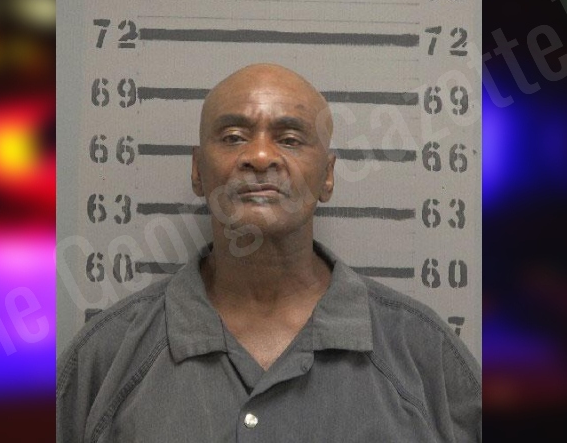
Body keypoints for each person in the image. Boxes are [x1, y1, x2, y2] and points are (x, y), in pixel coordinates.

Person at [57, 63, 481, 442]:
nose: (260, 156)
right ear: (197, 171)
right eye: (233, 137)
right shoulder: (104, 361)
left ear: (328, 176)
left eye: (291, 139)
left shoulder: (425, 358)